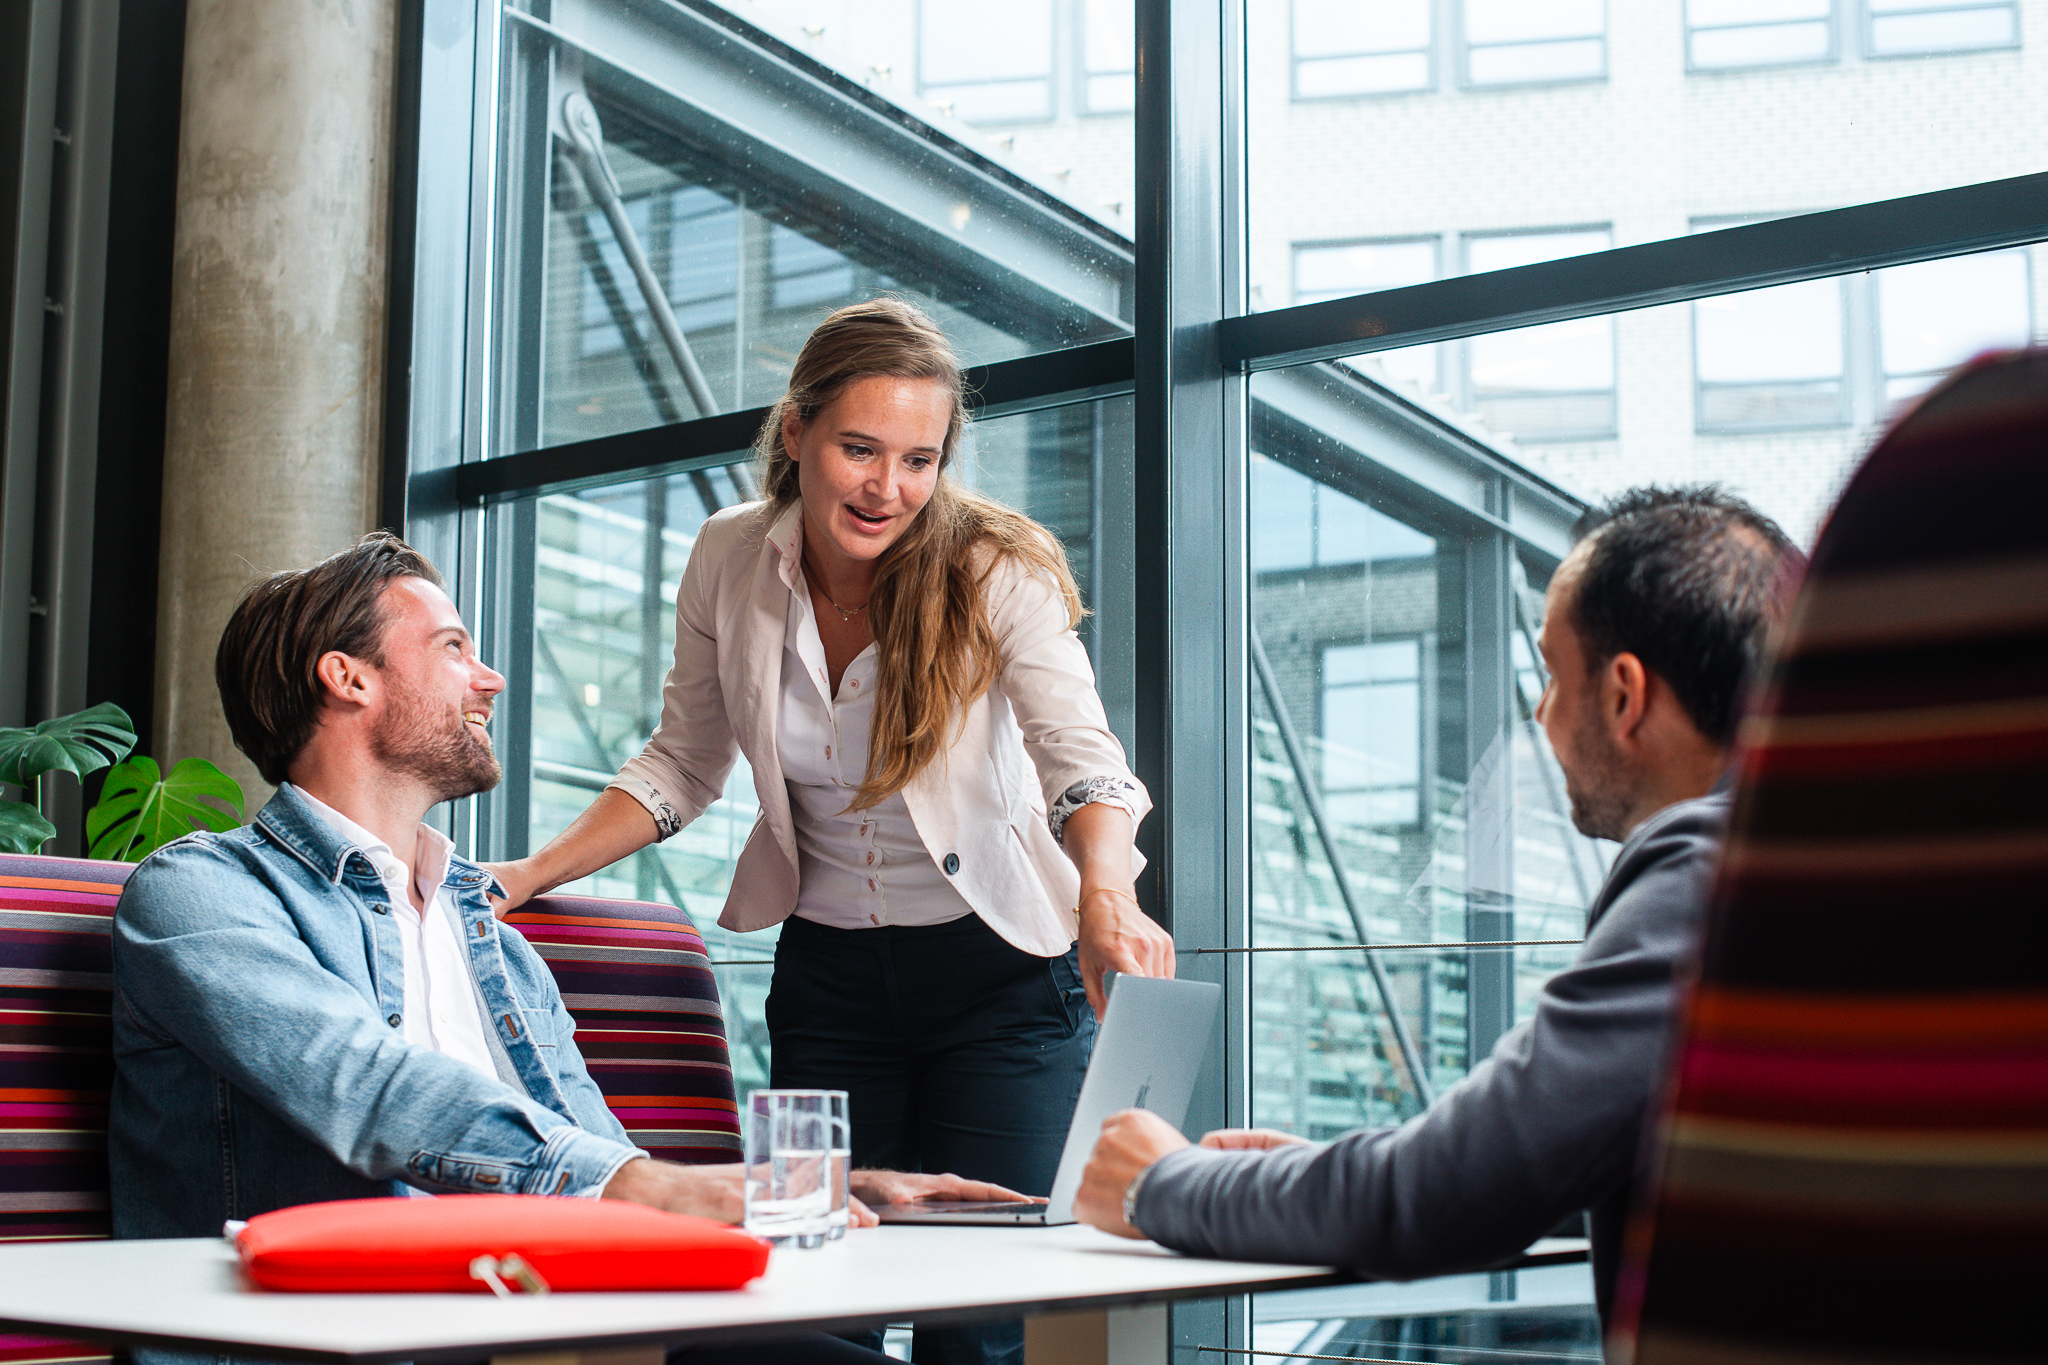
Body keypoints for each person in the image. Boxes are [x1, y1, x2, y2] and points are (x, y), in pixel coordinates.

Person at [109, 534, 1008, 1364]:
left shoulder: (488, 937)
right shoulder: (200, 893)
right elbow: (365, 1086)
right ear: (348, 677)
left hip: (549, 1320)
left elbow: (597, 1158)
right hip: (331, 1339)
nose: (490, 679)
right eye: (454, 647)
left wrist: (806, 1195)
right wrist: (646, 1190)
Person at [487, 298, 1174, 1365]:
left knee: (972, 1317)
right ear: (796, 431)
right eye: (859, 449)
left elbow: (1081, 764)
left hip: (1000, 984)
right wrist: (529, 874)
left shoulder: (994, 568)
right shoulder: (727, 556)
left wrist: (1106, 893)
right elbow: (682, 760)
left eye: (917, 460)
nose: (885, 488)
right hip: (830, 984)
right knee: (815, 1295)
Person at [1073, 485, 1805, 1328]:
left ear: (1624, 694)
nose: (1540, 714)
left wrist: (1161, 1181)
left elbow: (1461, 1189)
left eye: (1553, 677)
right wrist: (1325, 1176)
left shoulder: (1702, 875)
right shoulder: (1830, 861)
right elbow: (1577, 1165)